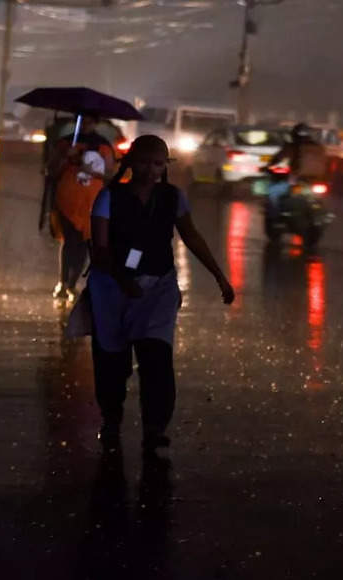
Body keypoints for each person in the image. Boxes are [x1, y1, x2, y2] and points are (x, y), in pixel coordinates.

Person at [88, 135, 235, 455]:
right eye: (143, 162)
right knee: (112, 362)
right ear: (130, 163)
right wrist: (122, 280)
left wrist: (219, 276)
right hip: (111, 290)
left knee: (156, 358)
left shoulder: (173, 198)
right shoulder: (109, 197)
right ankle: (111, 418)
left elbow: (191, 236)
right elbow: (99, 250)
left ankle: (155, 428)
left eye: (158, 163)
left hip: (158, 289)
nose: (150, 170)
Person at [49, 115, 114, 300]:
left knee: (84, 243)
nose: (86, 125)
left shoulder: (103, 146)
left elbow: (110, 175)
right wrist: (65, 158)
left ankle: (72, 284)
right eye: (83, 121)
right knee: (69, 241)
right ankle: (62, 282)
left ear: (96, 123)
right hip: (67, 200)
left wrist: (91, 171)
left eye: (90, 121)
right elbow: (51, 170)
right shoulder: (65, 144)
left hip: (91, 203)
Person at [265, 123, 327, 218]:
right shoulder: (319, 147)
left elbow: (278, 158)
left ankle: (275, 217)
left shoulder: (292, 147)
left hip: (296, 178)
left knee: (273, 191)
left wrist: (269, 166)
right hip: (317, 179)